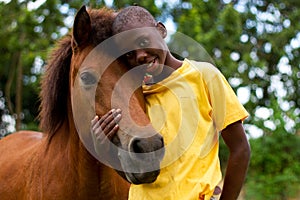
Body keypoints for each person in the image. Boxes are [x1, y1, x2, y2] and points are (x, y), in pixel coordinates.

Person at [91, 6, 251, 200]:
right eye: (129, 54)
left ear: (161, 30)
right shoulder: (135, 97)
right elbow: (137, 175)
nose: (140, 56)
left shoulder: (204, 76)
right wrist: (104, 150)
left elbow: (240, 148)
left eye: (143, 41)